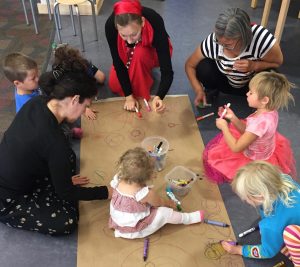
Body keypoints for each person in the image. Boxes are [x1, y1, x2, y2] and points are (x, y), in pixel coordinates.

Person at [0, 63, 112, 235]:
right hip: (7, 196)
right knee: (67, 222)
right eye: (85, 105)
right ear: (74, 100)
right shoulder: (54, 141)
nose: (84, 111)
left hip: (17, 169)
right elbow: (66, 193)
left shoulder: (38, 102)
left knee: (69, 158)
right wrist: (105, 192)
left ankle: (57, 183)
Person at [203, 72, 296, 183]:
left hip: (254, 160)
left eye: (251, 93)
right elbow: (248, 131)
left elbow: (236, 148)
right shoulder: (269, 111)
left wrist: (224, 128)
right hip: (263, 148)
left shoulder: (259, 123)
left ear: (264, 100)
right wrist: (233, 118)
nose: (247, 94)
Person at [185, 7, 283, 107]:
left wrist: (254, 65)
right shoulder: (213, 41)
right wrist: (198, 90)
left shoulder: (261, 38)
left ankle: (259, 101)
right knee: (203, 66)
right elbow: (189, 65)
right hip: (223, 83)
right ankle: (211, 90)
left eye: (228, 45)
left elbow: (277, 62)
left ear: (244, 36)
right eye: (219, 41)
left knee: (271, 74)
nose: (223, 48)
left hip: (250, 88)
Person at [109, 147, 204, 239]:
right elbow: (160, 202)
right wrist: (169, 203)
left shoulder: (118, 179)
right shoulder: (144, 193)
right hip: (135, 229)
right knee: (164, 213)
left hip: (119, 222)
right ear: (150, 176)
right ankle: (187, 219)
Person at [221, 161, 300, 265]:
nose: (244, 200)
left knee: (289, 235)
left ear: (260, 196)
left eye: (246, 198)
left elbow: (267, 252)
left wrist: (239, 250)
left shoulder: (271, 225)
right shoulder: (284, 179)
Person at [105, 0, 173, 112]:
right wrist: (129, 96)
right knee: (114, 84)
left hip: (152, 52)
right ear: (117, 28)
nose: (129, 41)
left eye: (134, 34)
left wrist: (159, 96)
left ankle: (143, 68)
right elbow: (118, 62)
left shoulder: (154, 20)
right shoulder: (110, 26)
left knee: (139, 54)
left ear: (142, 22)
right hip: (128, 51)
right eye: (123, 35)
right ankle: (137, 67)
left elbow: (167, 71)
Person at [52, 44, 105, 120]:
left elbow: (100, 78)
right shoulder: (60, 77)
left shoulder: (83, 65)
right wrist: (84, 108)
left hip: (82, 68)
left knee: (101, 77)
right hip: (73, 81)